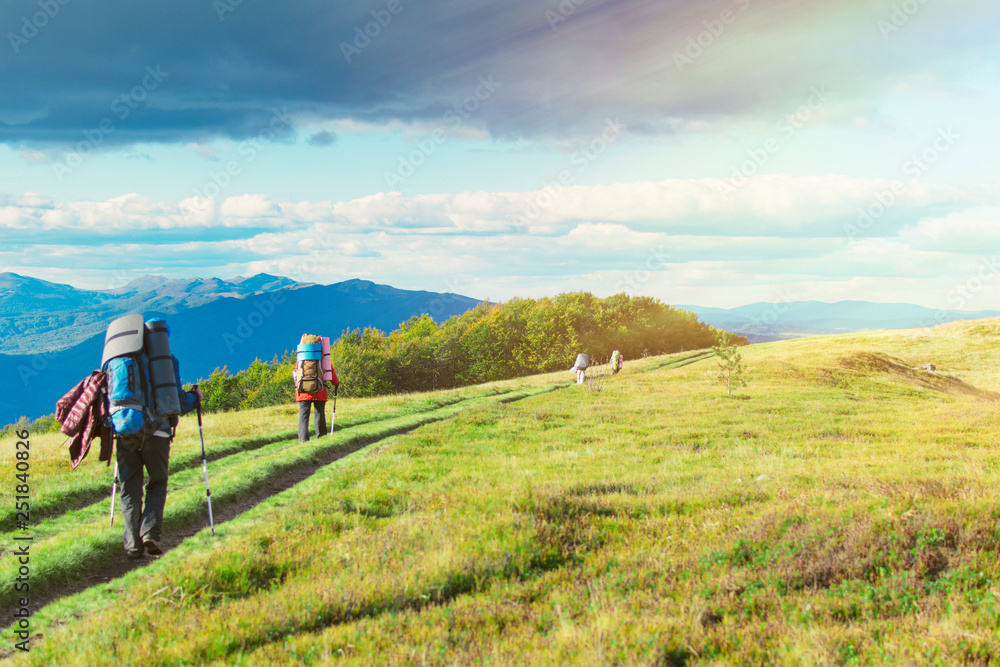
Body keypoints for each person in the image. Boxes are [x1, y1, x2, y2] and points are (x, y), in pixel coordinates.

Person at [116, 339, 201, 561]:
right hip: (158, 433)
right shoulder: (165, 361)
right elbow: (179, 402)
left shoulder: (119, 361)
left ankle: (132, 546)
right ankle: (150, 533)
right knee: (157, 482)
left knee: (129, 488)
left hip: (125, 432)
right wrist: (196, 397)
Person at [294, 365, 339, 442]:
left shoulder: (302, 356)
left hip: (303, 390)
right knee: (319, 414)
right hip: (319, 389)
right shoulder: (323, 356)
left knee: (304, 416)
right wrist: (336, 383)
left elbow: (295, 372)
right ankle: (322, 439)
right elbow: (330, 371)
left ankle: (303, 440)